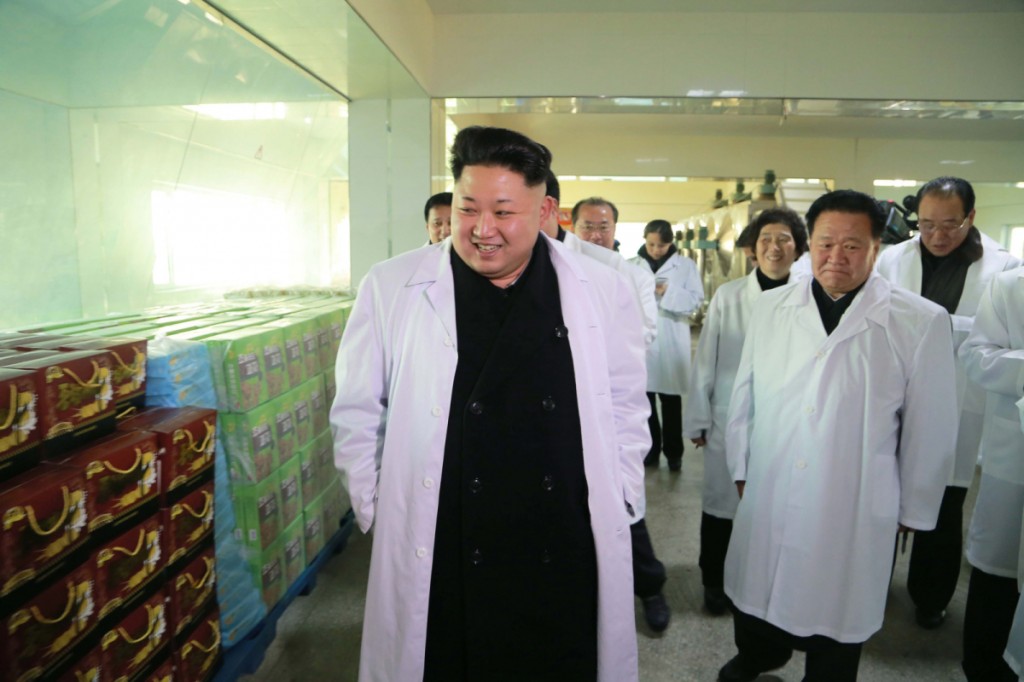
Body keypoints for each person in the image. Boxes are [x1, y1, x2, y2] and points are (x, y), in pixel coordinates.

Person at [331, 126, 650, 681]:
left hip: (563, 525)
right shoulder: (392, 286)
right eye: (467, 209)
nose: (482, 230)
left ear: (546, 209)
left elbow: (626, 401)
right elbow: (357, 409)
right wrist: (377, 503)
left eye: (503, 213)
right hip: (448, 528)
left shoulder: (601, 286)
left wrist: (622, 490)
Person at [719, 190, 958, 682]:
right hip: (772, 479)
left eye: (853, 246)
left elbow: (930, 427)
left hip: (854, 496)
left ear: (878, 249)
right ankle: (758, 657)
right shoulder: (771, 307)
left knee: (837, 611)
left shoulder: (919, 321)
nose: (836, 257)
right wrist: (741, 468)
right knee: (759, 590)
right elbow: (743, 397)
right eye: (826, 243)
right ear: (810, 245)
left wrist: (912, 508)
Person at [875, 176, 1021, 629]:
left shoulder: (1004, 268)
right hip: (894, 395)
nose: (937, 236)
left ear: (971, 217)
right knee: (880, 496)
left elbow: (994, 340)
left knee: (944, 504)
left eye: (950, 225)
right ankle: (868, 586)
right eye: (926, 225)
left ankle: (931, 596)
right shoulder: (892, 258)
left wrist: (937, 327)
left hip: (961, 402)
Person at [540, 174, 670, 632]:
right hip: (549, 412)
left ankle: (650, 586)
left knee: (620, 506)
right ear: (568, 220)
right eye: (588, 225)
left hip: (602, 401)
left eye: (604, 225)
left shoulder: (621, 271)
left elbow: (643, 332)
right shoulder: (526, 261)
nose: (596, 233)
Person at [683, 207, 809, 616]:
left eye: (784, 239)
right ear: (753, 249)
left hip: (785, 420)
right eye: (766, 239)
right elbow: (707, 359)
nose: (775, 247)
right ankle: (713, 582)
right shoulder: (730, 295)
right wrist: (699, 418)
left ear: (798, 247)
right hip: (729, 414)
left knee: (772, 507)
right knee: (721, 505)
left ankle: (762, 583)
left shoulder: (810, 296)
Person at [958, 266, 1024, 681]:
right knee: (998, 567)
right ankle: (983, 668)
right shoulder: (1010, 285)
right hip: (1014, 454)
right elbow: (975, 355)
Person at [629, 220, 703, 472]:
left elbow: (695, 300)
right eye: (651, 244)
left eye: (661, 245)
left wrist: (666, 292)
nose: (655, 249)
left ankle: (674, 453)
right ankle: (650, 451)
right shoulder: (632, 265)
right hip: (641, 340)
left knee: (671, 402)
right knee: (644, 400)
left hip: (672, 337)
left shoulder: (685, 266)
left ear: (670, 243)